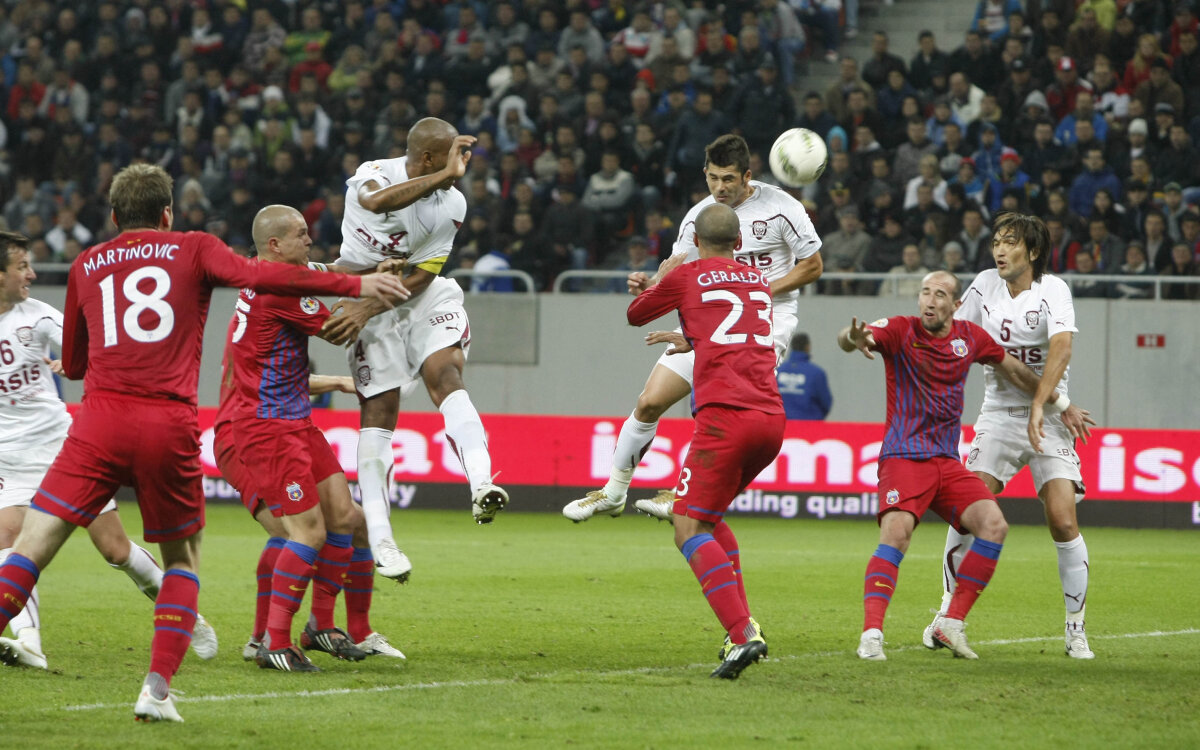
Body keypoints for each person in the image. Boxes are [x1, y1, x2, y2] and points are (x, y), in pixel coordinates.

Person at [0, 164, 405, 722]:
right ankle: (157, 691)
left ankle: (294, 633)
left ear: (114, 216)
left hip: (99, 423)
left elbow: (72, 363)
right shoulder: (193, 248)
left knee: (28, 549)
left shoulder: (86, 263)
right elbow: (260, 275)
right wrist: (358, 284)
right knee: (182, 562)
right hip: (169, 424)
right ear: (168, 213)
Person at [562, 134, 822, 523]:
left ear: (747, 176)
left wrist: (756, 292)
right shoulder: (699, 216)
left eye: (728, 179)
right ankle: (613, 492)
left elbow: (812, 265)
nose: (720, 187)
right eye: (713, 177)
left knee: (726, 406)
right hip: (710, 317)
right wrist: (650, 285)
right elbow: (679, 273)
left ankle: (687, 493)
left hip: (768, 320)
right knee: (650, 401)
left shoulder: (783, 208)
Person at [0, 231, 216, 670]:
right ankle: (30, 643)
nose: (32, 274)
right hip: (9, 458)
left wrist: (76, 362)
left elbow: (94, 347)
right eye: (22, 266)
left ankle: (186, 615)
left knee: (115, 550)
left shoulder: (37, 317)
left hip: (61, 448)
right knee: (9, 541)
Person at [839, 270, 1070, 660]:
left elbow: (1015, 369)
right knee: (896, 534)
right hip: (904, 457)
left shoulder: (970, 337)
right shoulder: (899, 330)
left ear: (956, 304)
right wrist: (852, 337)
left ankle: (951, 622)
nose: (929, 301)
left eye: (940, 294)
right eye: (925, 293)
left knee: (994, 526)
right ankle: (872, 634)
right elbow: (853, 338)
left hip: (946, 463)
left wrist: (1061, 404)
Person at [214, 205, 407, 671]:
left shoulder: (273, 275)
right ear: (275, 244)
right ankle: (273, 641)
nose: (309, 239)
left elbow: (328, 273)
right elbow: (337, 330)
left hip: (295, 421)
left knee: (346, 517)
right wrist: (381, 298)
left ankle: (321, 625)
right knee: (304, 532)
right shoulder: (277, 289)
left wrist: (371, 274)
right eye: (301, 234)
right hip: (265, 427)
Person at [324, 117, 509, 584]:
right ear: (428, 159)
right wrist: (365, 306)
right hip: (366, 293)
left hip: (416, 293)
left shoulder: (453, 202)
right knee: (380, 411)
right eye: (450, 159)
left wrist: (371, 306)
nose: (459, 169)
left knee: (445, 375)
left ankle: (482, 482)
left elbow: (425, 271)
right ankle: (383, 540)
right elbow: (376, 202)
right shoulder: (374, 174)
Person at [924, 213, 1098, 659]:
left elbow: (1062, 347)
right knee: (967, 512)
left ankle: (1075, 628)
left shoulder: (1053, 289)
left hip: (1050, 419)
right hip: (999, 416)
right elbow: (951, 332)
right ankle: (946, 614)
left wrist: (1046, 405)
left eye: (1009, 242)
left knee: (1062, 520)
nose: (999, 250)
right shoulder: (985, 285)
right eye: (996, 242)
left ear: (1033, 251)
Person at [626, 203, 784, 679]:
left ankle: (742, 633)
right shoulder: (759, 282)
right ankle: (743, 626)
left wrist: (658, 280)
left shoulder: (687, 274)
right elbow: (734, 331)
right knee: (709, 519)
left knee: (687, 526)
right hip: (771, 419)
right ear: (740, 243)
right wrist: (693, 337)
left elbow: (636, 315)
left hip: (725, 419)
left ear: (695, 241)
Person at [776, 332, 832, 420]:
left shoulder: (778, 371)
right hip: (809, 425)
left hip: (782, 425)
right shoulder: (817, 373)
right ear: (807, 347)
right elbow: (826, 403)